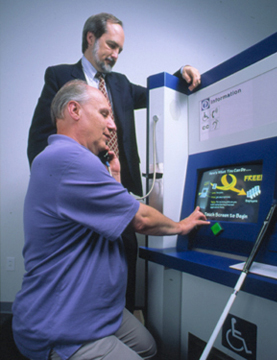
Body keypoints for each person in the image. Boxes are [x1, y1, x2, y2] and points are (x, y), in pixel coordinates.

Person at [13, 80, 209, 360]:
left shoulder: (61, 158)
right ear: (74, 110)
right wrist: (182, 225)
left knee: (148, 347)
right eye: (104, 114)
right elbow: (139, 219)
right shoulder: (70, 158)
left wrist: (114, 179)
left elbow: (109, 219)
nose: (113, 125)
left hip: (93, 310)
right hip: (61, 326)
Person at [27, 12, 202, 312]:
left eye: (120, 49)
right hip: (82, 189)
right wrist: (70, 176)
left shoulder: (119, 84)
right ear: (90, 38)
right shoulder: (58, 76)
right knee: (86, 262)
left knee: (125, 251)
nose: (116, 55)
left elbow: (154, 95)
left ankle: (123, 324)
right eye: (111, 45)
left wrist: (182, 74)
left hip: (118, 186)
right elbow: (39, 140)